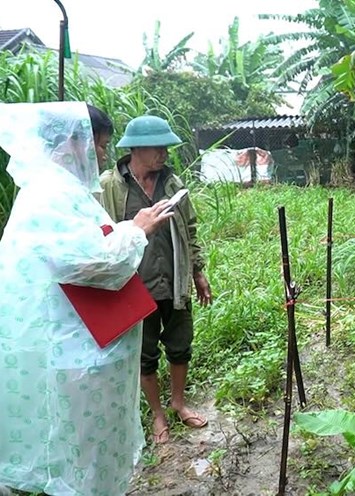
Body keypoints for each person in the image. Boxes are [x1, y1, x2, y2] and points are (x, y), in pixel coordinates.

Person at [0, 102, 172, 495]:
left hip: (87, 339)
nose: (102, 154)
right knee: (84, 450)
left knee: (88, 446)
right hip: (77, 347)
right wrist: (137, 230)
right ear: (71, 142)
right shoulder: (49, 194)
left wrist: (126, 229)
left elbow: (87, 245)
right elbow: (89, 262)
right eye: (99, 145)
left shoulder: (59, 189)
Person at [100, 115, 212, 445]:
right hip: (135, 285)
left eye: (166, 147)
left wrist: (198, 271)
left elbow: (189, 230)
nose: (164, 153)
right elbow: (103, 233)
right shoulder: (111, 186)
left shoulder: (173, 184)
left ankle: (178, 403)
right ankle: (158, 415)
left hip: (174, 279)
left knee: (180, 345)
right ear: (136, 149)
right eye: (157, 148)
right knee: (144, 352)